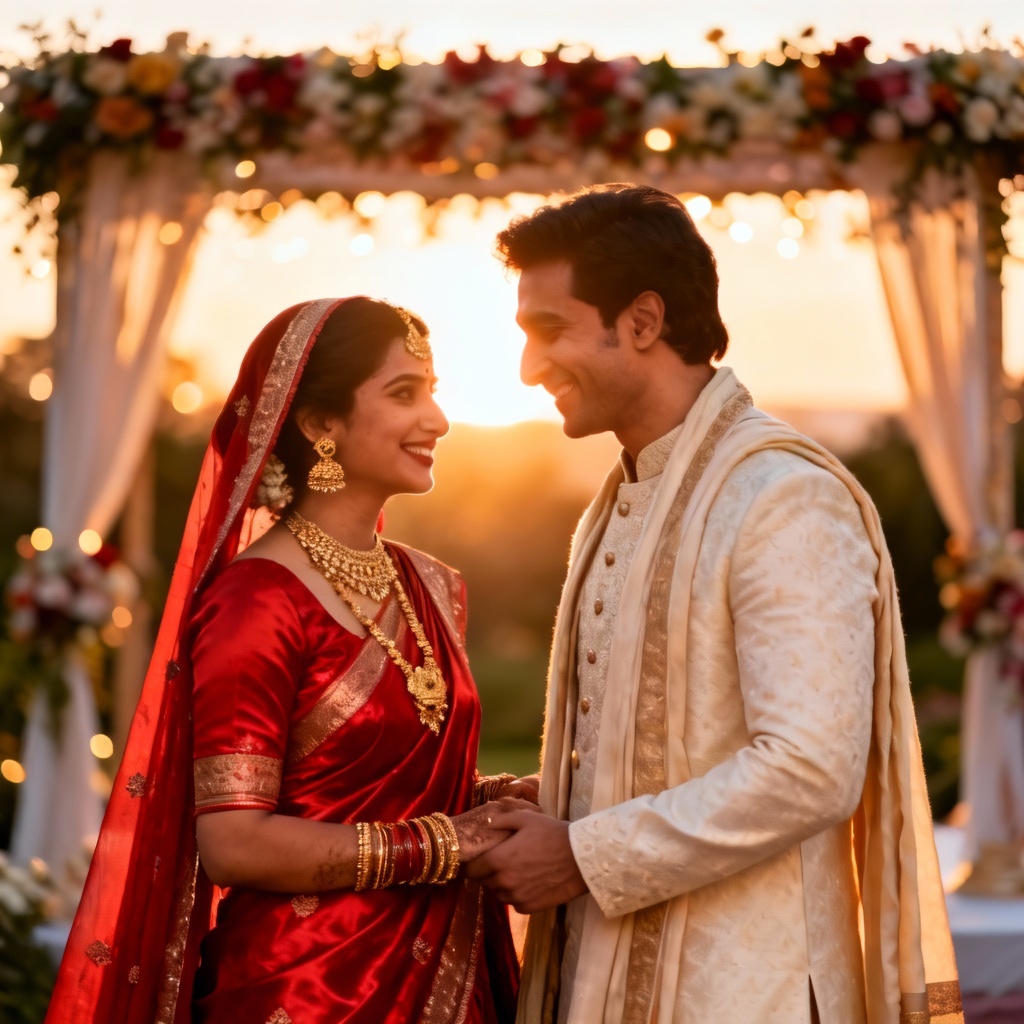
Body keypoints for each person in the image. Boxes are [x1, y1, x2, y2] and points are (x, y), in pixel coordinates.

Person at [468, 184, 962, 1024]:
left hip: (746, 991)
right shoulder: (626, 495)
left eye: (549, 330)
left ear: (645, 320)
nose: (528, 368)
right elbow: (663, 740)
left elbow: (809, 766)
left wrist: (583, 856)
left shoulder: (781, 494)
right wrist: (558, 797)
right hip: (614, 972)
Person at [44, 297, 525, 1024]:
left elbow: (378, 787)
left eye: (433, 392)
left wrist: (493, 802)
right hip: (304, 993)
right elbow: (235, 843)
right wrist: (439, 845)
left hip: (443, 982)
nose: (437, 421)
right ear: (318, 425)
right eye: (404, 394)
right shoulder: (257, 601)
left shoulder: (433, 585)